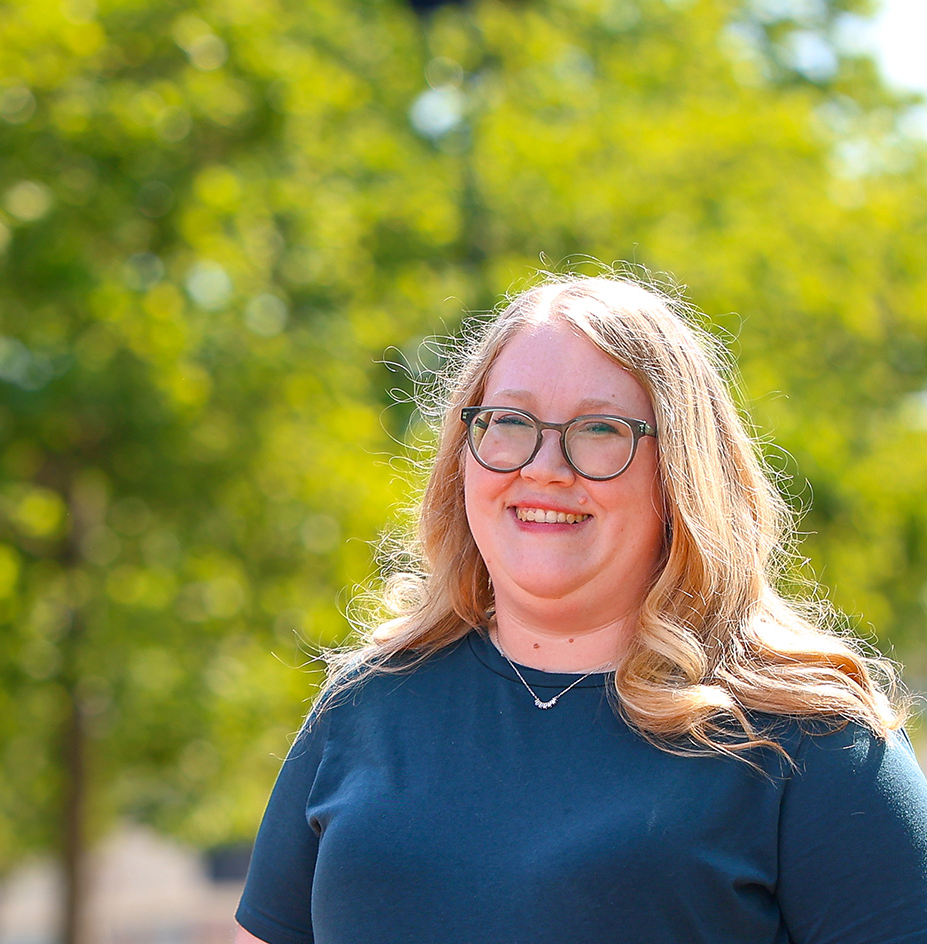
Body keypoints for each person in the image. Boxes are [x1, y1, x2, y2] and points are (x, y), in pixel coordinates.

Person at [234, 271, 927, 944]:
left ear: (681, 473)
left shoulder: (814, 741)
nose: (544, 466)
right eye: (510, 421)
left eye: (600, 430)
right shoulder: (365, 705)